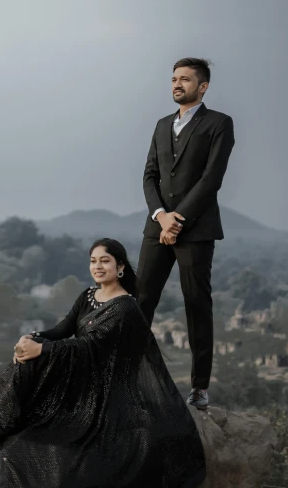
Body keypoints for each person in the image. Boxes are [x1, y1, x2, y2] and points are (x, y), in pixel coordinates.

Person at [0, 239, 206, 488]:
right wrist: (32, 338)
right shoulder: (88, 295)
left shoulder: (126, 307)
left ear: (120, 267)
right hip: (79, 371)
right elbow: (62, 329)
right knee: (26, 356)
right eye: (93, 261)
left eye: (105, 261)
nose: (98, 266)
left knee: (34, 359)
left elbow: (90, 347)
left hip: (103, 388)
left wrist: (41, 349)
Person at [138, 57, 235, 410]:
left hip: (196, 229)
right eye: (174, 79)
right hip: (156, 226)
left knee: (196, 305)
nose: (177, 84)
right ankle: (126, 377)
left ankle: (198, 389)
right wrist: (162, 216)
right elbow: (149, 176)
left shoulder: (219, 124)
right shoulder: (162, 125)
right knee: (141, 302)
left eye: (185, 79)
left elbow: (212, 178)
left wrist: (178, 218)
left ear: (203, 86)